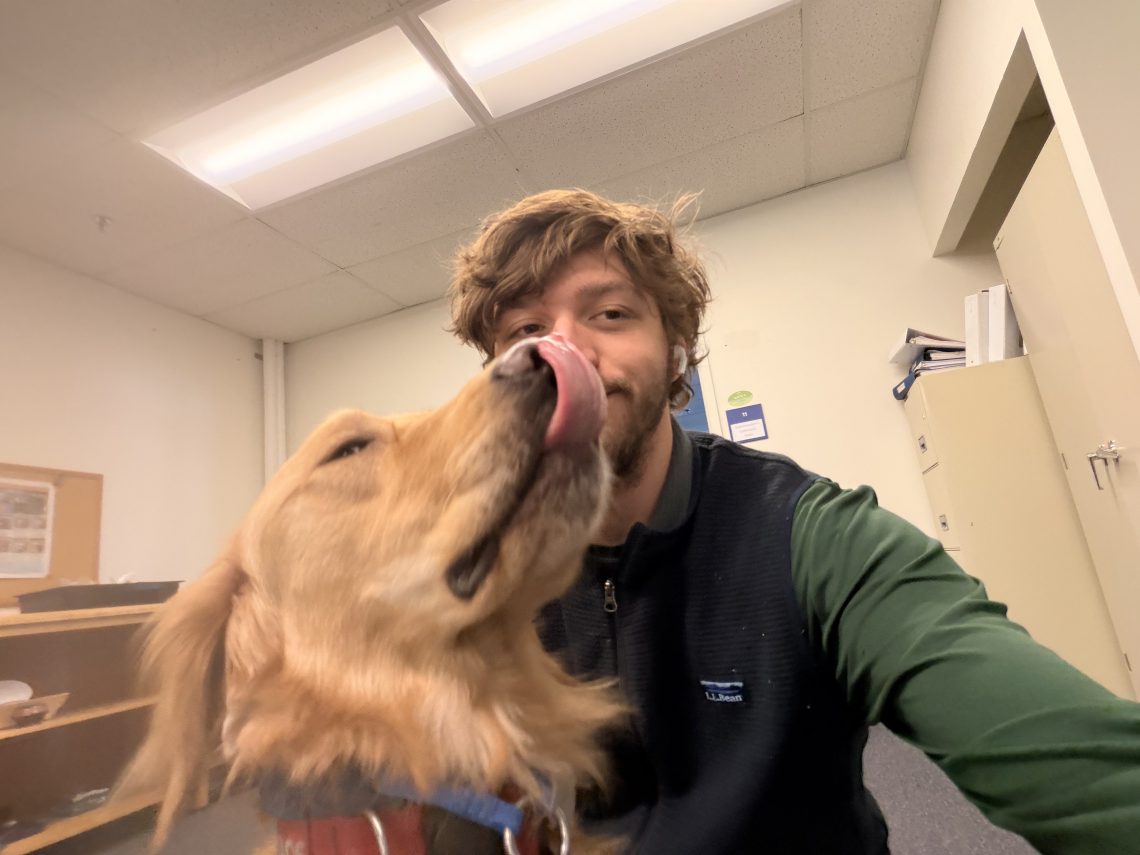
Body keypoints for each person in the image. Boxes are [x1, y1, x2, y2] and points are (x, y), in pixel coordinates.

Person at [447, 189, 1140, 854]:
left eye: (610, 314)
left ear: (675, 346)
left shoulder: (810, 537)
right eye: (526, 332)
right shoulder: (492, 580)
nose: (565, 354)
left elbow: (1090, 777)